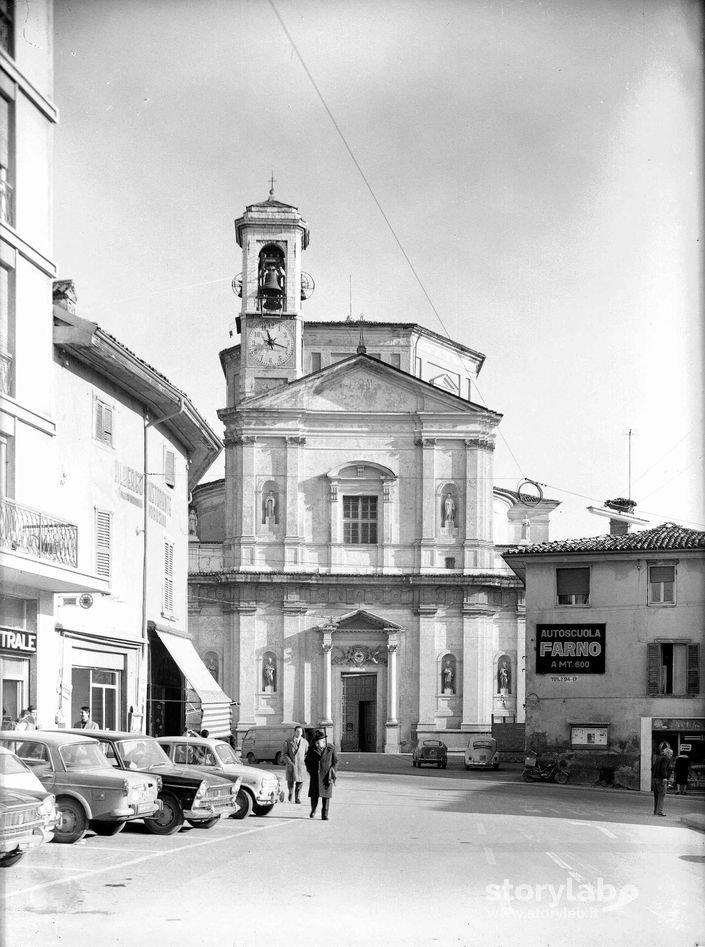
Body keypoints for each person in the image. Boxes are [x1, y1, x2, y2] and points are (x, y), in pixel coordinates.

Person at [305, 729, 338, 821]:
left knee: (326, 796)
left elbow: (336, 761)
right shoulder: (312, 749)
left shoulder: (331, 748)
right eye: (318, 742)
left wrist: (333, 771)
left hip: (327, 776)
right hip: (315, 775)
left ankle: (325, 814)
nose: (320, 743)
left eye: (322, 741)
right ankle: (313, 810)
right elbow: (307, 761)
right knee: (314, 795)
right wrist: (311, 771)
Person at [283, 725, 308, 804]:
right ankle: (290, 792)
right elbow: (284, 753)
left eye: (300, 732)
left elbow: (307, 753)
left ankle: (297, 797)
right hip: (291, 764)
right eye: (297, 731)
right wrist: (289, 762)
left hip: (301, 765)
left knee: (300, 782)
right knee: (290, 781)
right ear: (294, 732)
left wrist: (305, 760)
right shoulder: (288, 741)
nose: (299, 733)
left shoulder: (305, 742)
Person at [652, 745, 673, 816]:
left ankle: (655, 811)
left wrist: (655, 775)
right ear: (667, 753)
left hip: (655, 779)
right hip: (661, 779)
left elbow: (652, 768)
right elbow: (664, 768)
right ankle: (659, 812)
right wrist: (664, 777)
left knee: (656, 796)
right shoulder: (666, 759)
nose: (671, 755)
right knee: (662, 794)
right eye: (670, 754)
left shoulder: (658, 758)